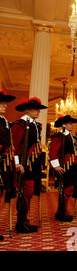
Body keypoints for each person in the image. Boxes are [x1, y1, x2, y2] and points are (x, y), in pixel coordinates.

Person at [11, 97, 47, 233]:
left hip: (34, 163)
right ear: (27, 110)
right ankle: (20, 223)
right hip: (23, 163)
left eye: (38, 109)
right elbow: (14, 146)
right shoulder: (19, 125)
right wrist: (17, 163)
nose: (38, 111)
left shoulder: (36, 125)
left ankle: (25, 220)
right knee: (25, 192)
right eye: (35, 109)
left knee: (30, 192)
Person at [49, 115, 77, 222]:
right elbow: (53, 151)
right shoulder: (59, 136)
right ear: (63, 124)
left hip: (72, 166)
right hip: (65, 166)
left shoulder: (72, 136)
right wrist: (56, 165)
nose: (72, 125)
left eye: (72, 123)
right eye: (70, 123)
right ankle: (62, 212)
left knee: (70, 188)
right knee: (65, 188)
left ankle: (62, 211)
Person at [0, 90, 16, 240]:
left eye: (5, 102)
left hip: (4, 162)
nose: (5, 105)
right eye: (2, 102)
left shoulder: (4, 121)